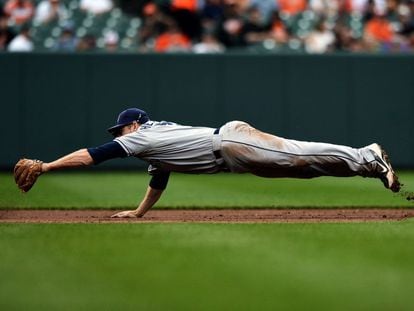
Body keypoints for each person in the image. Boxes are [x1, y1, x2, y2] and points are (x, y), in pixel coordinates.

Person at [15, 108, 401, 218]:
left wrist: (47, 167)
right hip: (233, 154)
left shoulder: (143, 135)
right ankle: (369, 167)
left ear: (133, 124)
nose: (119, 135)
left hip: (229, 142)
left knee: (296, 153)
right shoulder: (155, 145)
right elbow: (159, 180)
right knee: (302, 168)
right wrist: (138, 212)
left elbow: (92, 156)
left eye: (121, 128)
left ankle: (366, 154)